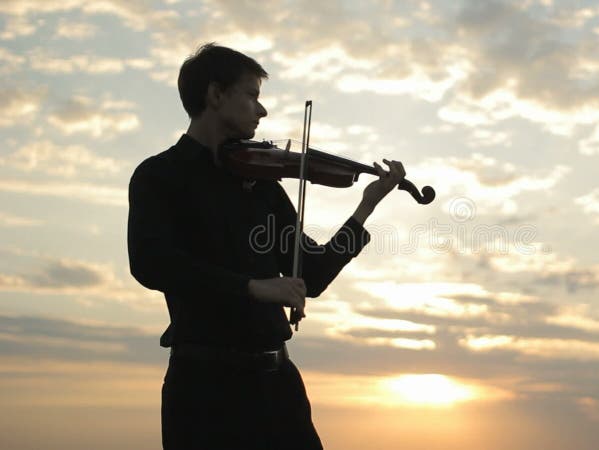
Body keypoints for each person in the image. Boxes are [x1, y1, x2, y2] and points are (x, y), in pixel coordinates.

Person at [127, 43, 405, 449]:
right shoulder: (159, 176)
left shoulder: (263, 185)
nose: (262, 111)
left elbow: (311, 274)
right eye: (252, 96)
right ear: (216, 95)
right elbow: (151, 263)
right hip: (203, 391)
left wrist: (365, 207)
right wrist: (251, 287)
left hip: (277, 388)